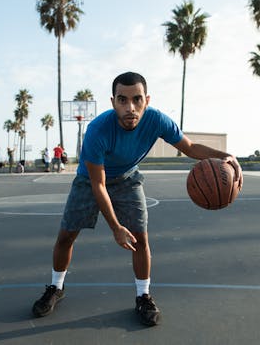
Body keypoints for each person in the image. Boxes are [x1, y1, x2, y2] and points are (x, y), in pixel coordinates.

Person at [31, 72, 242, 326]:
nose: (130, 107)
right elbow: (98, 184)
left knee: (141, 238)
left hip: (127, 179)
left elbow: (189, 147)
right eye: (122, 100)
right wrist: (115, 227)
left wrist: (226, 155)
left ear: (147, 100)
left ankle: (143, 295)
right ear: (113, 102)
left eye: (137, 99)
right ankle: (56, 287)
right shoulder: (97, 130)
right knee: (66, 237)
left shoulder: (156, 120)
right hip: (89, 181)